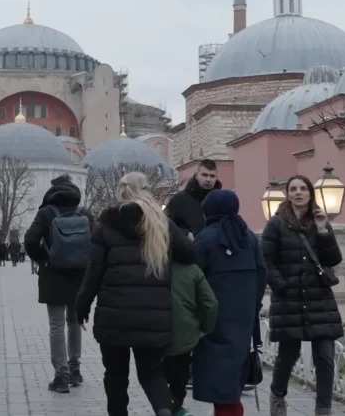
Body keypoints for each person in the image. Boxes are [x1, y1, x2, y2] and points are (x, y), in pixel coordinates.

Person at [76, 172, 196, 416]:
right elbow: (190, 254)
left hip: (114, 316)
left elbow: (94, 272)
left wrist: (82, 305)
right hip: (154, 317)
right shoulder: (161, 222)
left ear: (121, 190)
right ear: (145, 189)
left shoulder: (105, 223)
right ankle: (164, 411)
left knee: (115, 375)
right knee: (152, 374)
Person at [262, 175, 344, 416]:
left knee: (325, 358)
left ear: (310, 193)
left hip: (319, 300)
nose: (298, 193)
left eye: (303, 189)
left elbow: (333, 259)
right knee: (288, 355)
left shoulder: (319, 221)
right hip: (289, 300)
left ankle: (323, 409)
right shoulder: (275, 225)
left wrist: (322, 231)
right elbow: (265, 259)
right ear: (288, 194)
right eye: (293, 189)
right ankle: (278, 397)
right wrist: (281, 285)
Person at [191, 189, 267, 416]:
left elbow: (194, 278)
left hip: (213, 320)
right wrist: (252, 304)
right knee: (231, 380)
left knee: (220, 381)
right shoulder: (249, 237)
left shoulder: (205, 238)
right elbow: (262, 273)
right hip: (244, 320)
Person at [24, 174, 92, 393]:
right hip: (79, 276)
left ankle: (60, 376)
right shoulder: (84, 213)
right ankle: (75, 369)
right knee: (75, 322)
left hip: (53, 275)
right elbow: (98, 241)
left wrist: (43, 259)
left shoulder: (46, 213)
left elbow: (30, 240)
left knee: (56, 325)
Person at [162, 247, 218, 416]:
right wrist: (205, 329)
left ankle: (171, 408)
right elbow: (211, 304)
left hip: (157, 333)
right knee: (179, 379)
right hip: (185, 336)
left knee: (157, 380)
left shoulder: (154, 268)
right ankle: (176, 406)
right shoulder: (193, 270)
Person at [165, 159, 221, 236]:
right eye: (204, 175)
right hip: (189, 246)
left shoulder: (221, 201)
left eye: (212, 176)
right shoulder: (178, 200)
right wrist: (186, 235)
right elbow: (164, 225)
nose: (208, 179)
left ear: (216, 178)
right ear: (196, 175)